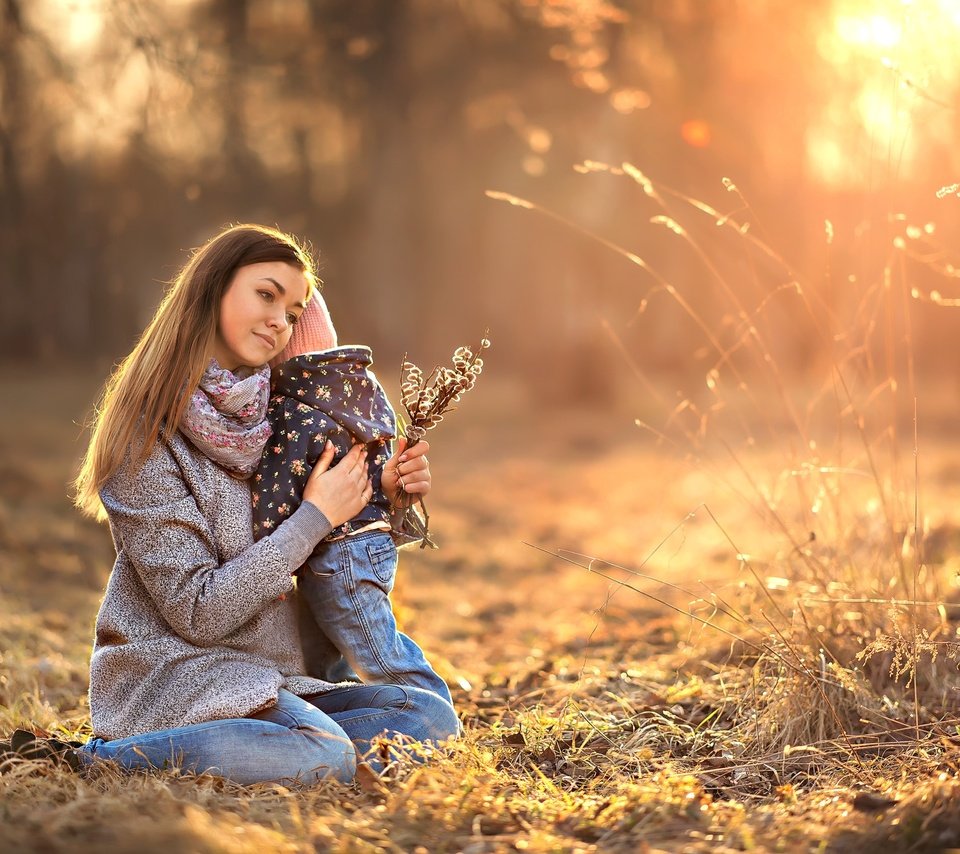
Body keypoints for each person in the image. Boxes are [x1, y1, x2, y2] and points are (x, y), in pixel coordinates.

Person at [62, 224, 459, 786]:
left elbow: (317, 563)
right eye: (266, 295)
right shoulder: (144, 436)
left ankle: (275, 752)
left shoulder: (283, 420)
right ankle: (102, 759)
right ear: (212, 290)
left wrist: (379, 501)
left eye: (294, 312)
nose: (280, 321)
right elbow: (199, 612)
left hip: (271, 678)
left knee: (427, 717)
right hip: (174, 677)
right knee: (320, 753)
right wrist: (317, 515)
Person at [253, 290, 452, 704]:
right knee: (327, 652)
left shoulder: (292, 408)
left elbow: (278, 485)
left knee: (381, 654)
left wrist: (262, 538)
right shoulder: (360, 387)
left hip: (337, 553)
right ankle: (359, 712)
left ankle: (432, 712)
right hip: (369, 543)